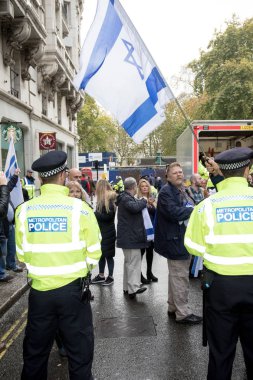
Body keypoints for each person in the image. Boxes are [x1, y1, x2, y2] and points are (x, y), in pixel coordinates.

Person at [15, 150, 102, 380]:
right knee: (80, 356)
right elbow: (94, 253)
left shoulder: (24, 211)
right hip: (73, 293)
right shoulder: (80, 209)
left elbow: (22, 256)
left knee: (35, 356)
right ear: (63, 176)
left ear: (41, 178)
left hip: (40, 294)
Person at [185, 147, 253, 380]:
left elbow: (193, 246)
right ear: (248, 170)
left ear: (221, 171)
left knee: (221, 354)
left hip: (221, 287)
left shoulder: (205, 207)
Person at [154, 162, 202, 324]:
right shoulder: (166, 192)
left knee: (176, 275)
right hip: (175, 240)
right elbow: (174, 213)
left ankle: (173, 306)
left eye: (180, 172)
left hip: (179, 238)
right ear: (167, 176)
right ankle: (183, 313)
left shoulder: (180, 189)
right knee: (180, 276)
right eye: (175, 173)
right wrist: (194, 210)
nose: (179, 175)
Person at [116, 177, 148, 299]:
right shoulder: (126, 198)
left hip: (128, 237)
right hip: (130, 237)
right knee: (133, 263)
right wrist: (144, 200)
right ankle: (134, 288)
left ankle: (127, 287)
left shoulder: (124, 197)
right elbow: (135, 208)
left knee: (129, 263)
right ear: (134, 187)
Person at [91, 180, 117, 286]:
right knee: (101, 255)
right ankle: (101, 276)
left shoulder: (109, 199)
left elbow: (108, 216)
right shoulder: (103, 199)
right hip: (103, 231)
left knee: (109, 256)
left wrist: (95, 214)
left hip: (108, 232)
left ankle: (110, 277)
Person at [137, 178, 158, 284]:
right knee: (140, 253)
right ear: (139, 188)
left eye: (146, 186)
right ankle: (139, 275)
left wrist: (153, 204)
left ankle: (149, 272)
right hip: (142, 230)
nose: (145, 188)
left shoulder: (152, 198)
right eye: (142, 186)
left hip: (152, 230)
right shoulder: (138, 199)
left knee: (150, 252)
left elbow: (155, 213)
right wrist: (145, 204)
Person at [0, 172, 11, 283]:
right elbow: (2, 210)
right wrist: (3, 186)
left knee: (3, 252)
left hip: (2, 228)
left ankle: (2, 273)